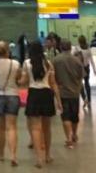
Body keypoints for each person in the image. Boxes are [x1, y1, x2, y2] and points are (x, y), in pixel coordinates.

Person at [24, 40, 62, 168]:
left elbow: (24, 81)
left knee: (35, 128)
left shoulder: (27, 63)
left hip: (33, 94)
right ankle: (48, 155)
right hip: (46, 95)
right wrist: (59, 101)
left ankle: (38, 158)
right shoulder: (48, 63)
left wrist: (18, 80)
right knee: (47, 128)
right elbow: (53, 83)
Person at [0, 41, 23, 166]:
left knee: (0, 127)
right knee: (12, 127)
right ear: (8, 51)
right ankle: (13, 155)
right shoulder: (15, 63)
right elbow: (18, 79)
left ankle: (1, 154)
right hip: (12, 95)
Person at [53, 39, 84, 148]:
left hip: (62, 93)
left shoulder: (56, 60)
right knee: (74, 116)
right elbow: (81, 76)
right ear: (71, 47)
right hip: (75, 92)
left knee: (65, 116)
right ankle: (74, 134)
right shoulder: (77, 60)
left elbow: (53, 77)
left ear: (61, 47)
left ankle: (69, 138)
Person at [74, 35, 96, 108]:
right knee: (87, 83)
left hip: (79, 68)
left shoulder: (77, 48)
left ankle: (84, 99)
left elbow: (73, 56)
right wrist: (94, 69)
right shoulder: (88, 49)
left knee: (80, 84)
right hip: (86, 68)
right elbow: (91, 60)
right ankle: (89, 100)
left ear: (79, 41)